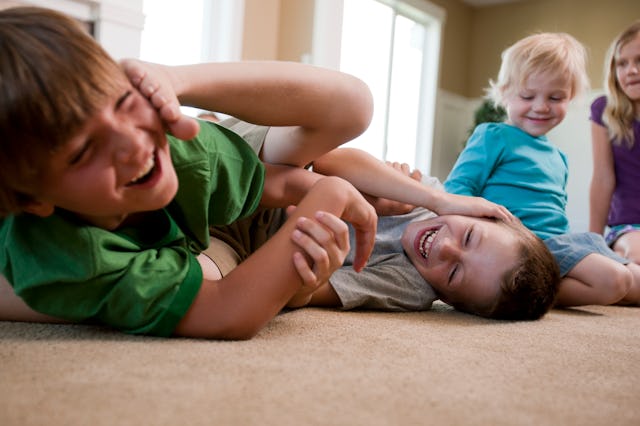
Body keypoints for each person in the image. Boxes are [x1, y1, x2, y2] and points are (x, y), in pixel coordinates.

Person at [0, 6, 510, 337]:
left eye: (122, 100)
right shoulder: (68, 253)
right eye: (84, 151)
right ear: (37, 200)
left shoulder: (183, 151)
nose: (134, 146)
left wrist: (170, 81)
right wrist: (326, 198)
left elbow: (273, 182)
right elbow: (228, 312)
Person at [444, 32, 640, 307]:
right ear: (504, 93)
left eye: (556, 97)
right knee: (615, 281)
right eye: (527, 95)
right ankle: (527, 292)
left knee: (635, 281)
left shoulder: (558, 157)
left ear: (570, 97)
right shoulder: (493, 136)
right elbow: (456, 189)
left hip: (559, 242)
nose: (541, 107)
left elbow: (555, 215)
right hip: (522, 244)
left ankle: (534, 285)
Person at [285, 154, 560, 320]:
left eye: (454, 273)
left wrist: (306, 278)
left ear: (449, 300)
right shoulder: (428, 194)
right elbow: (327, 161)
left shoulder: (412, 287)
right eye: (468, 236)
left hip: (271, 240)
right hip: (283, 177)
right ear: (481, 213)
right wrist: (419, 199)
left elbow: (304, 293)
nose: (446, 248)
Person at [589, 21, 640, 264]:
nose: (631, 70)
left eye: (639, 61)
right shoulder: (603, 110)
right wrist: (592, 242)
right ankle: (615, 257)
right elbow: (602, 178)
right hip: (628, 226)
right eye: (622, 63)